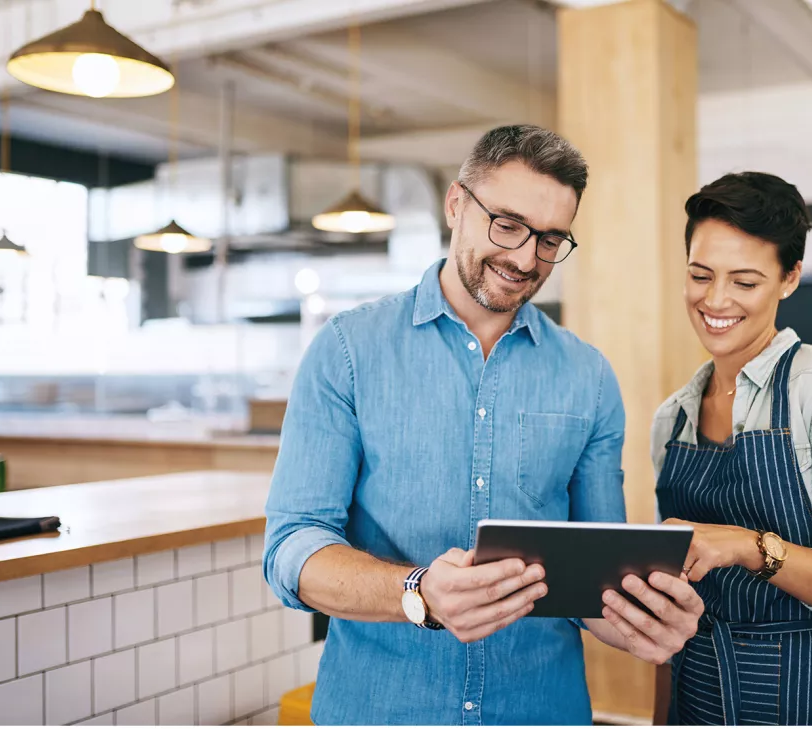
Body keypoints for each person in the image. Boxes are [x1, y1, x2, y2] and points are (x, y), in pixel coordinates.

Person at [264, 124, 703, 726]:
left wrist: (640, 627)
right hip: (379, 709)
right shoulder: (347, 351)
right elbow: (293, 550)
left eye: (551, 239)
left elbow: (592, 581)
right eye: (508, 224)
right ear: (455, 204)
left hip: (541, 709)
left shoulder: (589, 377)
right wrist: (416, 592)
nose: (525, 258)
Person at [650, 172, 812, 725]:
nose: (715, 300)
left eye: (745, 282)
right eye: (700, 275)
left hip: (810, 699)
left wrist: (746, 545)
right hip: (692, 700)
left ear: (789, 279)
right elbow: (666, 601)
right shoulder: (671, 418)